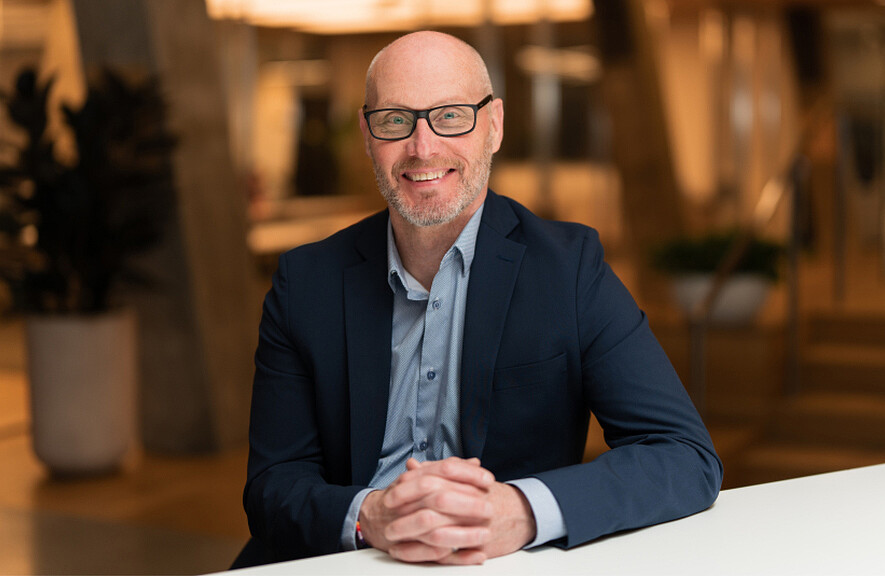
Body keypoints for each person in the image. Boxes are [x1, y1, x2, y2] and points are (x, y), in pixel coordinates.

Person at [237, 30, 722, 568]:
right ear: (367, 134)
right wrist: (368, 516)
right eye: (395, 120)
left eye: (450, 116)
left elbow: (684, 455)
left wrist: (521, 510)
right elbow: (273, 485)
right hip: (346, 558)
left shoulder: (569, 269)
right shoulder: (306, 282)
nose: (423, 147)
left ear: (494, 125)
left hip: (499, 561)